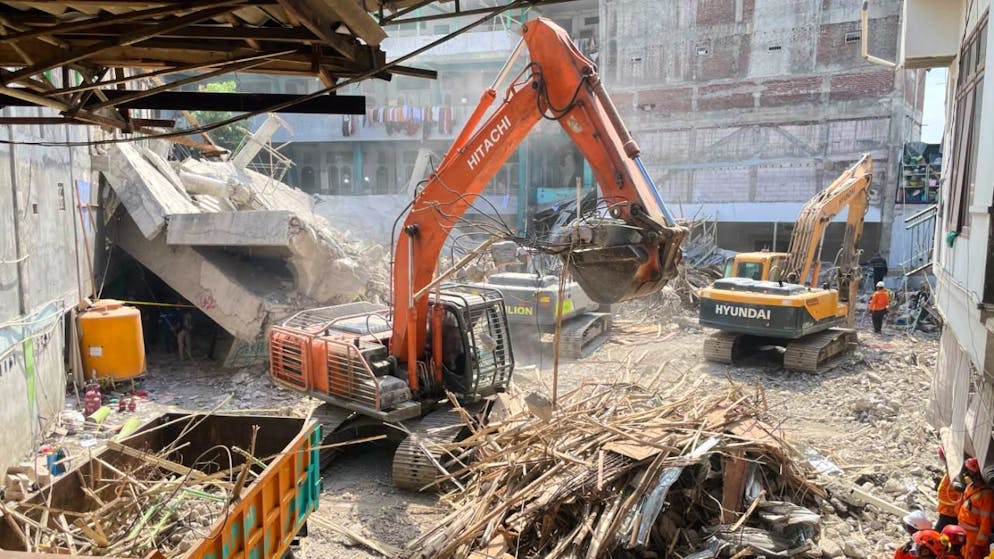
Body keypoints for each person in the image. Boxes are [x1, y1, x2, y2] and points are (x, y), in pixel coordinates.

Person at [957, 460, 994, 559]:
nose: (968, 474)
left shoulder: (987, 496)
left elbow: (986, 523)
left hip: (974, 536)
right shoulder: (971, 487)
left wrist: (979, 545)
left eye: (971, 472)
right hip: (964, 532)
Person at [937, 446, 966, 531]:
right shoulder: (951, 473)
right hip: (946, 512)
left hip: (950, 515)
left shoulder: (957, 477)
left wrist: (958, 516)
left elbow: (960, 499)